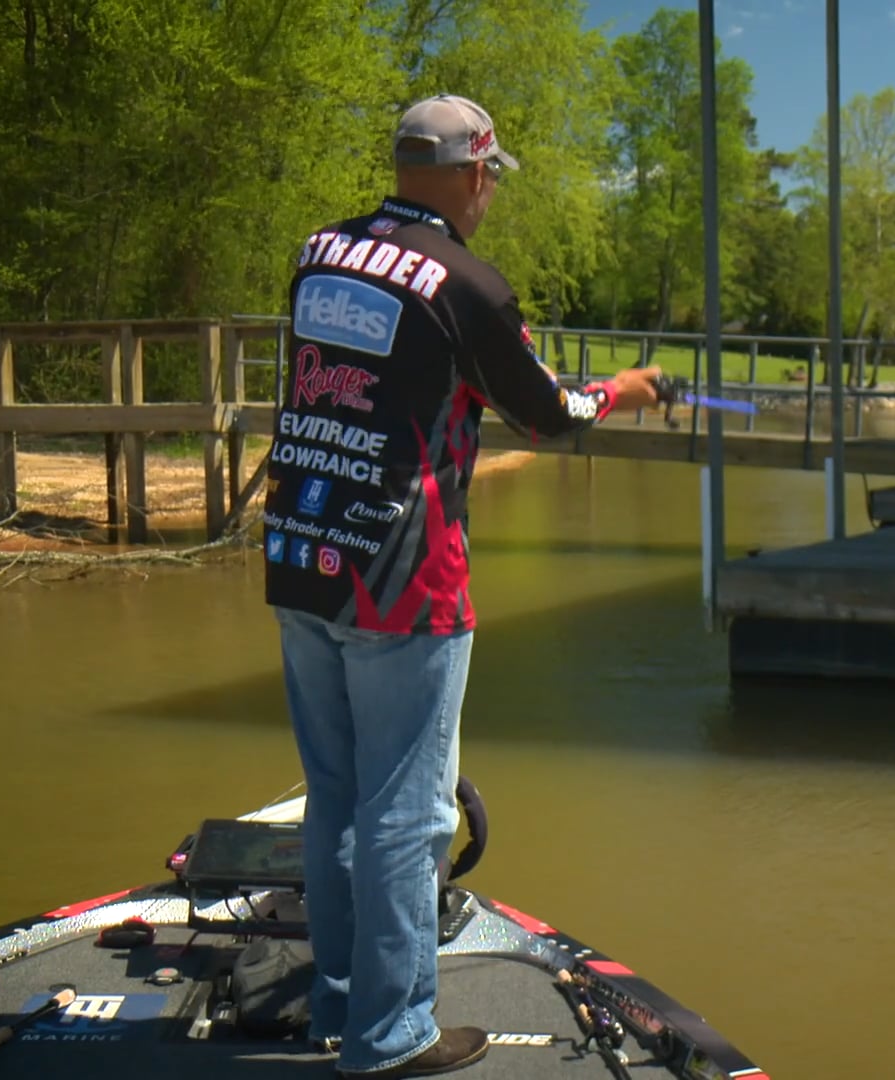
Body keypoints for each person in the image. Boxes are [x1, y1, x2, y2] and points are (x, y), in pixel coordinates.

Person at [261, 93, 663, 1078]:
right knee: (409, 812)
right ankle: (391, 1039)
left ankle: (339, 1007)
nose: (490, 189)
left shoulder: (320, 252)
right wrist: (627, 389)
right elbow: (547, 411)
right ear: (468, 172)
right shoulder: (467, 284)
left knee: (337, 798)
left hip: (302, 555)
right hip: (406, 583)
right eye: (488, 173)